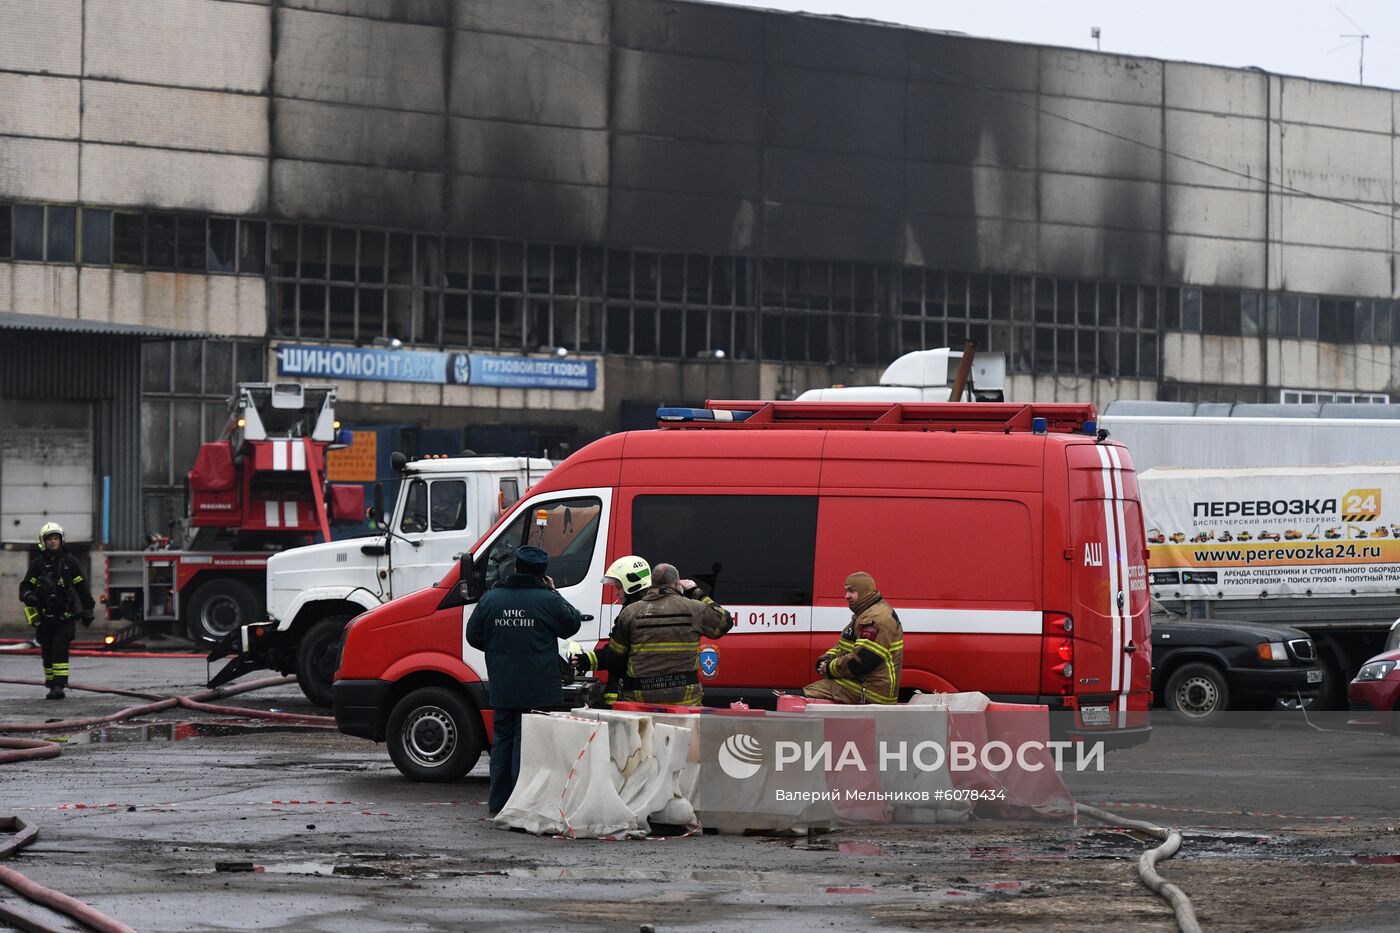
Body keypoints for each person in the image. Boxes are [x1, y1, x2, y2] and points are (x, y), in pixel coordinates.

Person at [466, 545, 583, 814]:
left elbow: (473, 635)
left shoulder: (492, 599)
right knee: (527, 744)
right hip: (539, 688)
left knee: (502, 743)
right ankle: (521, 803)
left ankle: (498, 802)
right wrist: (553, 591)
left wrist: (500, 648)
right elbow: (572, 623)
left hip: (503, 685)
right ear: (543, 575)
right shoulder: (547, 600)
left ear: (516, 568)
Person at [575, 558, 733, 707]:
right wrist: (695, 592)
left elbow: (616, 661)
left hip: (640, 701)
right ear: (676, 583)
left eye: (618, 587)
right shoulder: (693, 608)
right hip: (685, 701)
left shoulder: (630, 613)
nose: (616, 592)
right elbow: (724, 621)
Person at [19, 522, 95, 700]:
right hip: (44, 616)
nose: (53, 542)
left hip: (65, 616)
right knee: (47, 651)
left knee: (60, 648)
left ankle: (60, 685)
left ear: (61, 541)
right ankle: (51, 683)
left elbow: (82, 587)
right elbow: (25, 586)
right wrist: (29, 595)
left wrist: (88, 609)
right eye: (49, 539)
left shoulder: (70, 562)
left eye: (56, 538)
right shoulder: (37, 564)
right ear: (42, 542)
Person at [804, 571, 903, 705]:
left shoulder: (876, 619)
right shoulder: (865, 614)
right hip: (860, 684)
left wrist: (829, 668)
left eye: (851, 591)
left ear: (864, 591)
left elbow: (862, 661)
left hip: (871, 692)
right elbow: (844, 645)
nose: (846, 596)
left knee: (807, 696)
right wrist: (825, 659)